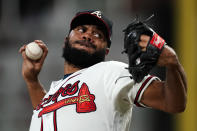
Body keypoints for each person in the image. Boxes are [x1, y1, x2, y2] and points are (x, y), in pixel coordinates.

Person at [19, 10, 187, 131]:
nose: (88, 35)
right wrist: (32, 81)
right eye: (81, 30)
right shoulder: (55, 91)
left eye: (98, 35)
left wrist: (173, 65)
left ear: (106, 51)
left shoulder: (112, 72)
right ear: (65, 41)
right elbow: (47, 112)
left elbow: (172, 102)